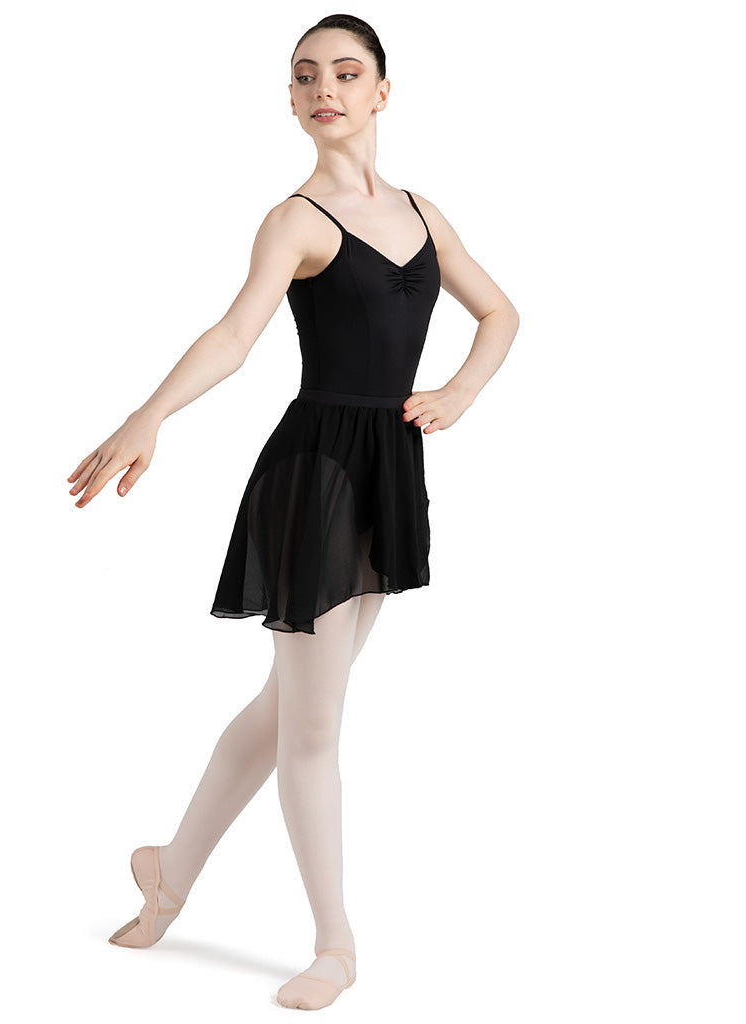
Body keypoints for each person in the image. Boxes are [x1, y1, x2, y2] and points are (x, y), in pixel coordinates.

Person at [66, 13, 519, 1011]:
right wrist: (149, 415)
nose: (326, 90)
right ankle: (335, 944)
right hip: (315, 480)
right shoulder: (296, 221)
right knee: (313, 726)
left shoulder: (423, 213)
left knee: (285, 709)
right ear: (289, 99)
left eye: (346, 74)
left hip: (388, 471)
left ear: (382, 92)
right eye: (306, 76)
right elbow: (234, 335)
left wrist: (460, 391)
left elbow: (501, 312)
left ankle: (168, 871)